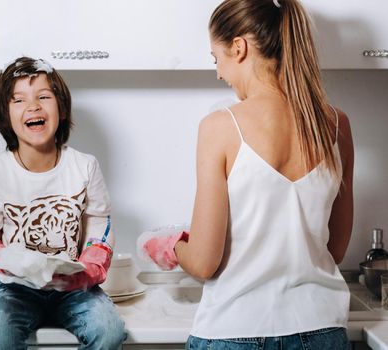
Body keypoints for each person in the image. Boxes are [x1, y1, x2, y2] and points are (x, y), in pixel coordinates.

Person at [143, 0, 354, 349]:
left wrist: (167, 246)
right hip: (322, 329)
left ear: (238, 48)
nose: (218, 73)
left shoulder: (220, 126)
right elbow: (336, 248)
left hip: (234, 330)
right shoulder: (336, 125)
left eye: (216, 59)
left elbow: (204, 262)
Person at [0, 57, 126, 350]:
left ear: (62, 108)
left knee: (109, 331)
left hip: (74, 287)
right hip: (16, 289)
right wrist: (6, 258)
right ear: (5, 115)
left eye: (44, 96)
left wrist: (90, 267)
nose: (33, 106)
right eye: (19, 100)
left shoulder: (84, 166)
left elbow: (99, 223)